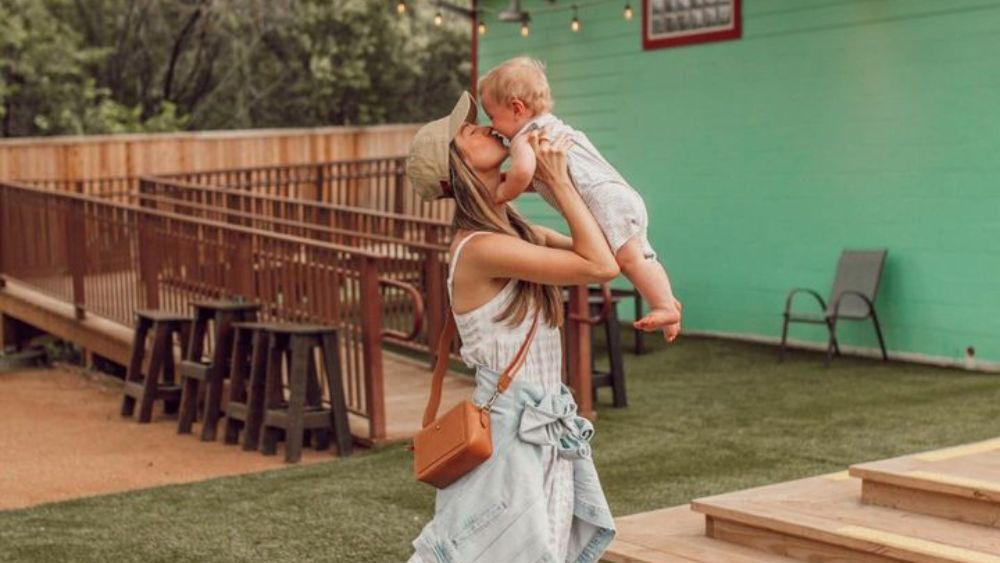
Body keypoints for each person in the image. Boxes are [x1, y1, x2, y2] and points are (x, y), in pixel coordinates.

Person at [404, 91, 652, 562]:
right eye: (466, 132)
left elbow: (607, 251)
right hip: (508, 437)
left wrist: (558, 176)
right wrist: (557, 185)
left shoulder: (515, 231)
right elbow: (598, 266)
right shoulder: (479, 248)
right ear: (455, 168)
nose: (480, 126)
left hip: (542, 428)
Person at [478, 56, 682, 342]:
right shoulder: (551, 129)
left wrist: (499, 194)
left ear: (516, 108)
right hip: (616, 195)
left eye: (492, 116)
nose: (492, 126)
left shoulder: (527, 137)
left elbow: (522, 174)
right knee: (640, 256)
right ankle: (667, 301)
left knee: (630, 259)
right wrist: (505, 181)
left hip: (607, 201)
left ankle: (662, 305)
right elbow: (540, 180)